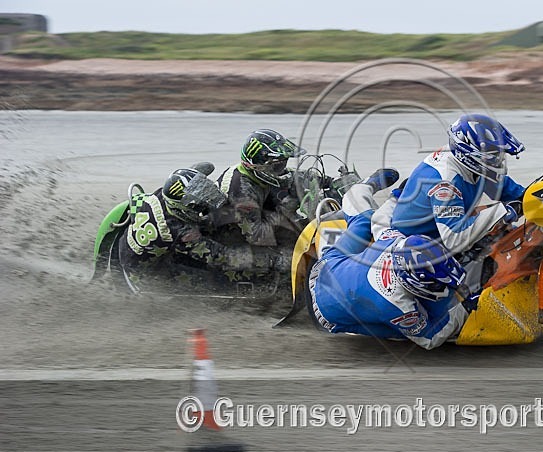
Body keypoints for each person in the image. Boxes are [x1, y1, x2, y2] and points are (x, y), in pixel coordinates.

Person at [308, 171, 479, 350]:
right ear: (412, 284)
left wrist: (398, 197)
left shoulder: (396, 243)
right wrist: (466, 308)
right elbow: (430, 339)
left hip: (333, 266)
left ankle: (365, 186)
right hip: (327, 310)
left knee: (364, 221)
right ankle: (358, 188)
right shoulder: (399, 305)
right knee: (411, 334)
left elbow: (381, 221)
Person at [385, 113, 526, 255]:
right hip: (413, 247)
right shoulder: (445, 182)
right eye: (494, 155)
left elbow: (518, 195)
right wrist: (503, 212)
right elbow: (454, 240)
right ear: (471, 153)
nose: (499, 159)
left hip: (444, 229)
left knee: (513, 233)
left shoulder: (474, 165)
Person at [118, 167, 259, 288]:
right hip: (145, 270)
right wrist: (264, 259)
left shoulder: (168, 194)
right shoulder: (179, 232)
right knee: (213, 280)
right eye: (200, 207)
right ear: (184, 210)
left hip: (140, 243)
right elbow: (218, 255)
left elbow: (184, 181)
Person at [213, 129, 307, 248]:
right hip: (234, 242)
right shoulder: (241, 193)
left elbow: (297, 175)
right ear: (260, 166)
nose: (282, 169)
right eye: (278, 165)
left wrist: (331, 182)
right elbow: (258, 237)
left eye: (284, 163)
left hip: (256, 220)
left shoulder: (259, 171)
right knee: (289, 259)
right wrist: (287, 209)